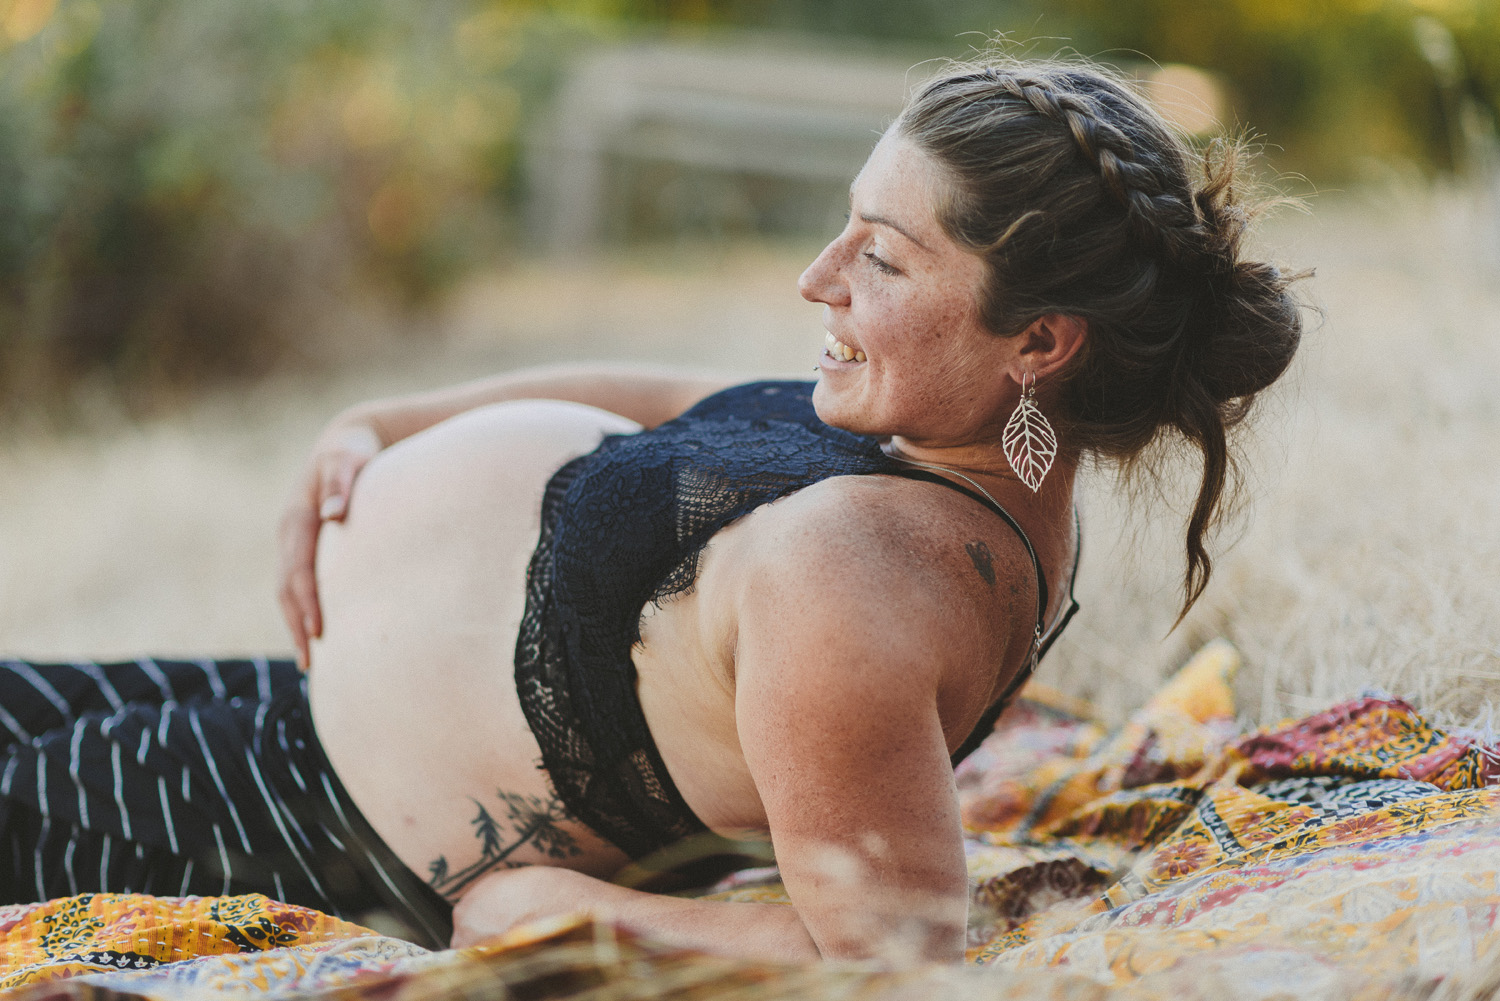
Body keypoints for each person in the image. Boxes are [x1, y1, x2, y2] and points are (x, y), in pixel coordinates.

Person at [0, 56, 1303, 962]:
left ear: (1042, 342)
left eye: (884, 258)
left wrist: (557, 914)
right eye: (848, 228)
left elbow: (892, 948)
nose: (817, 279)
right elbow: (664, 390)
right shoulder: (939, 426)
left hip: (314, 826)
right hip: (296, 708)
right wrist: (381, 427)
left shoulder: (861, 581)